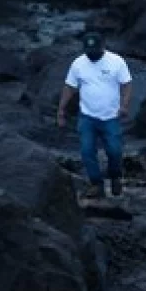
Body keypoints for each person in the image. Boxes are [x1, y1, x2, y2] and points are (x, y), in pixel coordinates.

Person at [57, 32, 132, 198]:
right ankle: (96, 183)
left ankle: (115, 177)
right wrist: (61, 110)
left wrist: (124, 106)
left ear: (103, 46)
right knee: (86, 151)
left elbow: (126, 84)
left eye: (95, 50)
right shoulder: (78, 64)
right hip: (87, 116)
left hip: (111, 116)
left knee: (114, 150)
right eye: (89, 50)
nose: (92, 54)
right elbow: (69, 87)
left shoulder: (116, 61)